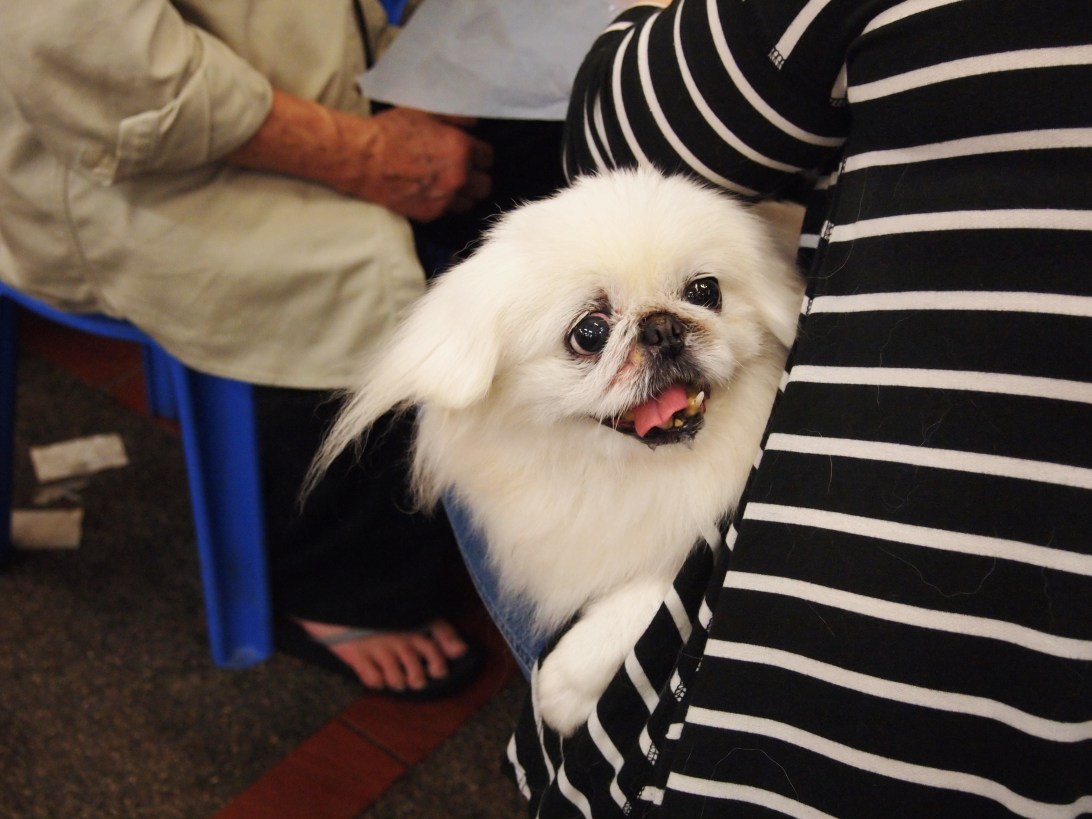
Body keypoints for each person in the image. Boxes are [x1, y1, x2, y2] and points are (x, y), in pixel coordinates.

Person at [500, 0, 1092, 815]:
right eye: (594, 330)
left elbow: (623, 133)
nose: (661, 333)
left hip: (766, 711)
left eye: (697, 294)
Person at [0, 0, 498, 697]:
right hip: (123, 155)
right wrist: (363, 154)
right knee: (343, 280)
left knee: (537, 158)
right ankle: (330, 584)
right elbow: (103, 60)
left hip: (311, 62)